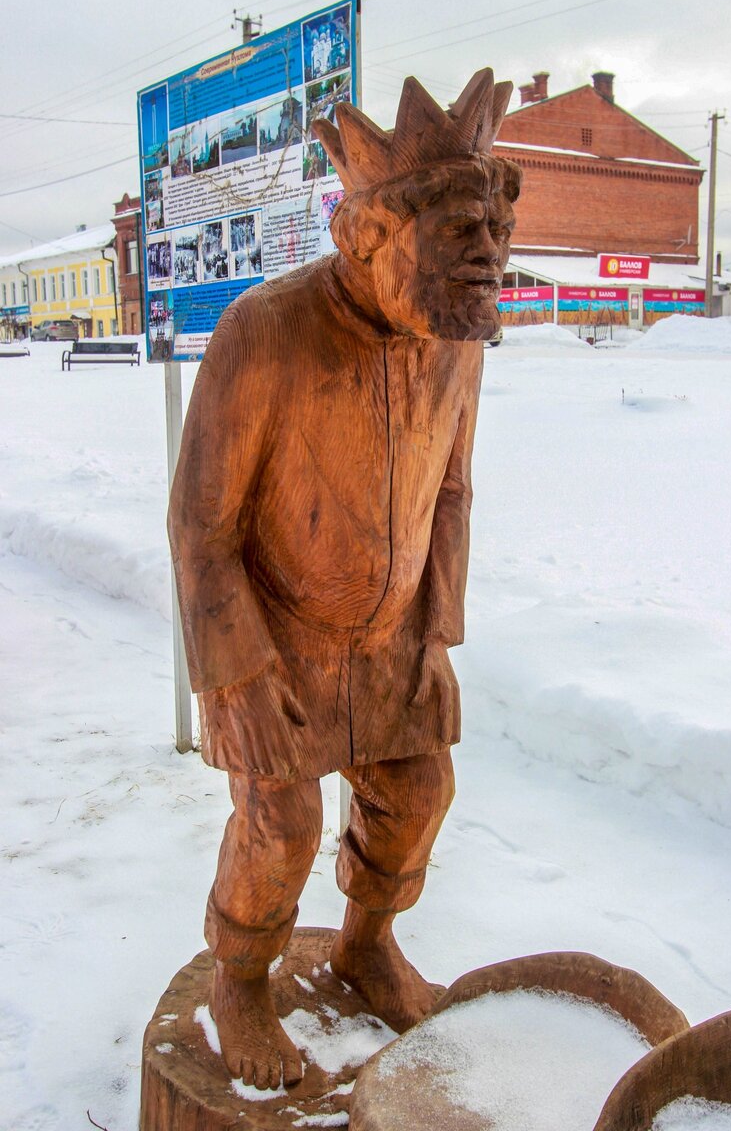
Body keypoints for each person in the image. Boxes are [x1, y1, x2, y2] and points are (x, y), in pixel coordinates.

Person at [167, 68, 521, 1091]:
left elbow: (450, 492)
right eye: (459, 234)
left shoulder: (455, 341)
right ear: (370, 236)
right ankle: (240, 982)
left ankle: (367, 944)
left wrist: (435, 635)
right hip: (275, 638)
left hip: (394, 640)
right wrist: (234, 675)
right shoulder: (264, 333)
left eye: (493, 235)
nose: (488, 257)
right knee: (280, 825)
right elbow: (199, 528)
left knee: (417, 791)